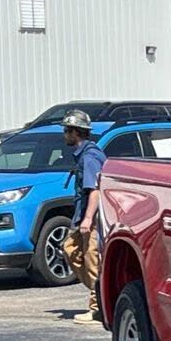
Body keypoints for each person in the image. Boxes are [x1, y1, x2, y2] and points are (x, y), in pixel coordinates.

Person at [60, 111, 106, 324]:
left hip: (92, 219)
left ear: (76, 132)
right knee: (70, 249)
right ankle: (103, 293)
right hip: (83, 216)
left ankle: (98, 309)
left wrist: (88, 219)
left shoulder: (90, 157)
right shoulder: (83, 154)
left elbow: (94, 190)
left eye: (66, 130)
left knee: (92, 260)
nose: (64, 134)